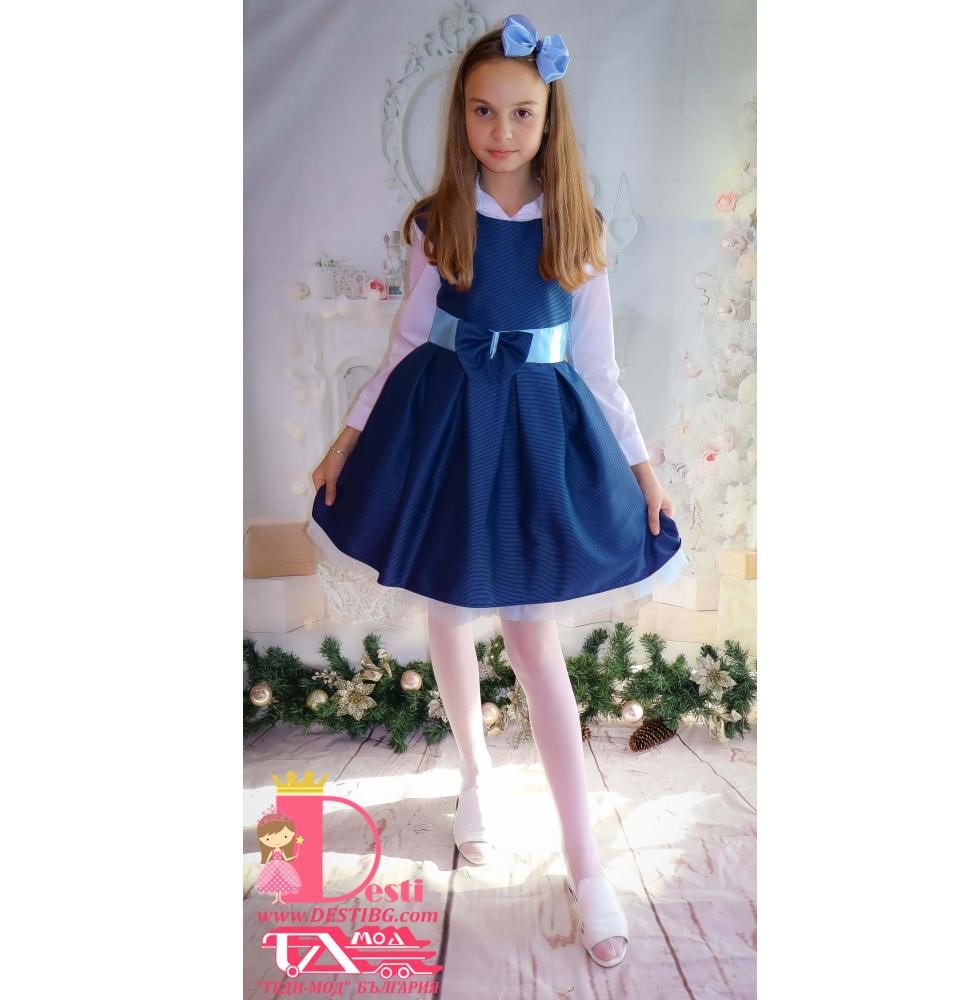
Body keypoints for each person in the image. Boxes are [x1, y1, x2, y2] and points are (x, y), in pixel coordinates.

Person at [308, 13, 689, 968]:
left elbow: (600, 369)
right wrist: (348, 439)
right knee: (446, 608)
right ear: (462, 117)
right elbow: (406, 341)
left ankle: (587, 863)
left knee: (531, 639)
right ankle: (475, 776)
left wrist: (643, 469)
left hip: (533, 444)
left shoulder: (577, 228)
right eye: (483, 111)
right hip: (446, 434)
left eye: (522, 112)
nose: (502, 130)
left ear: (549, 118)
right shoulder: (438, 223)